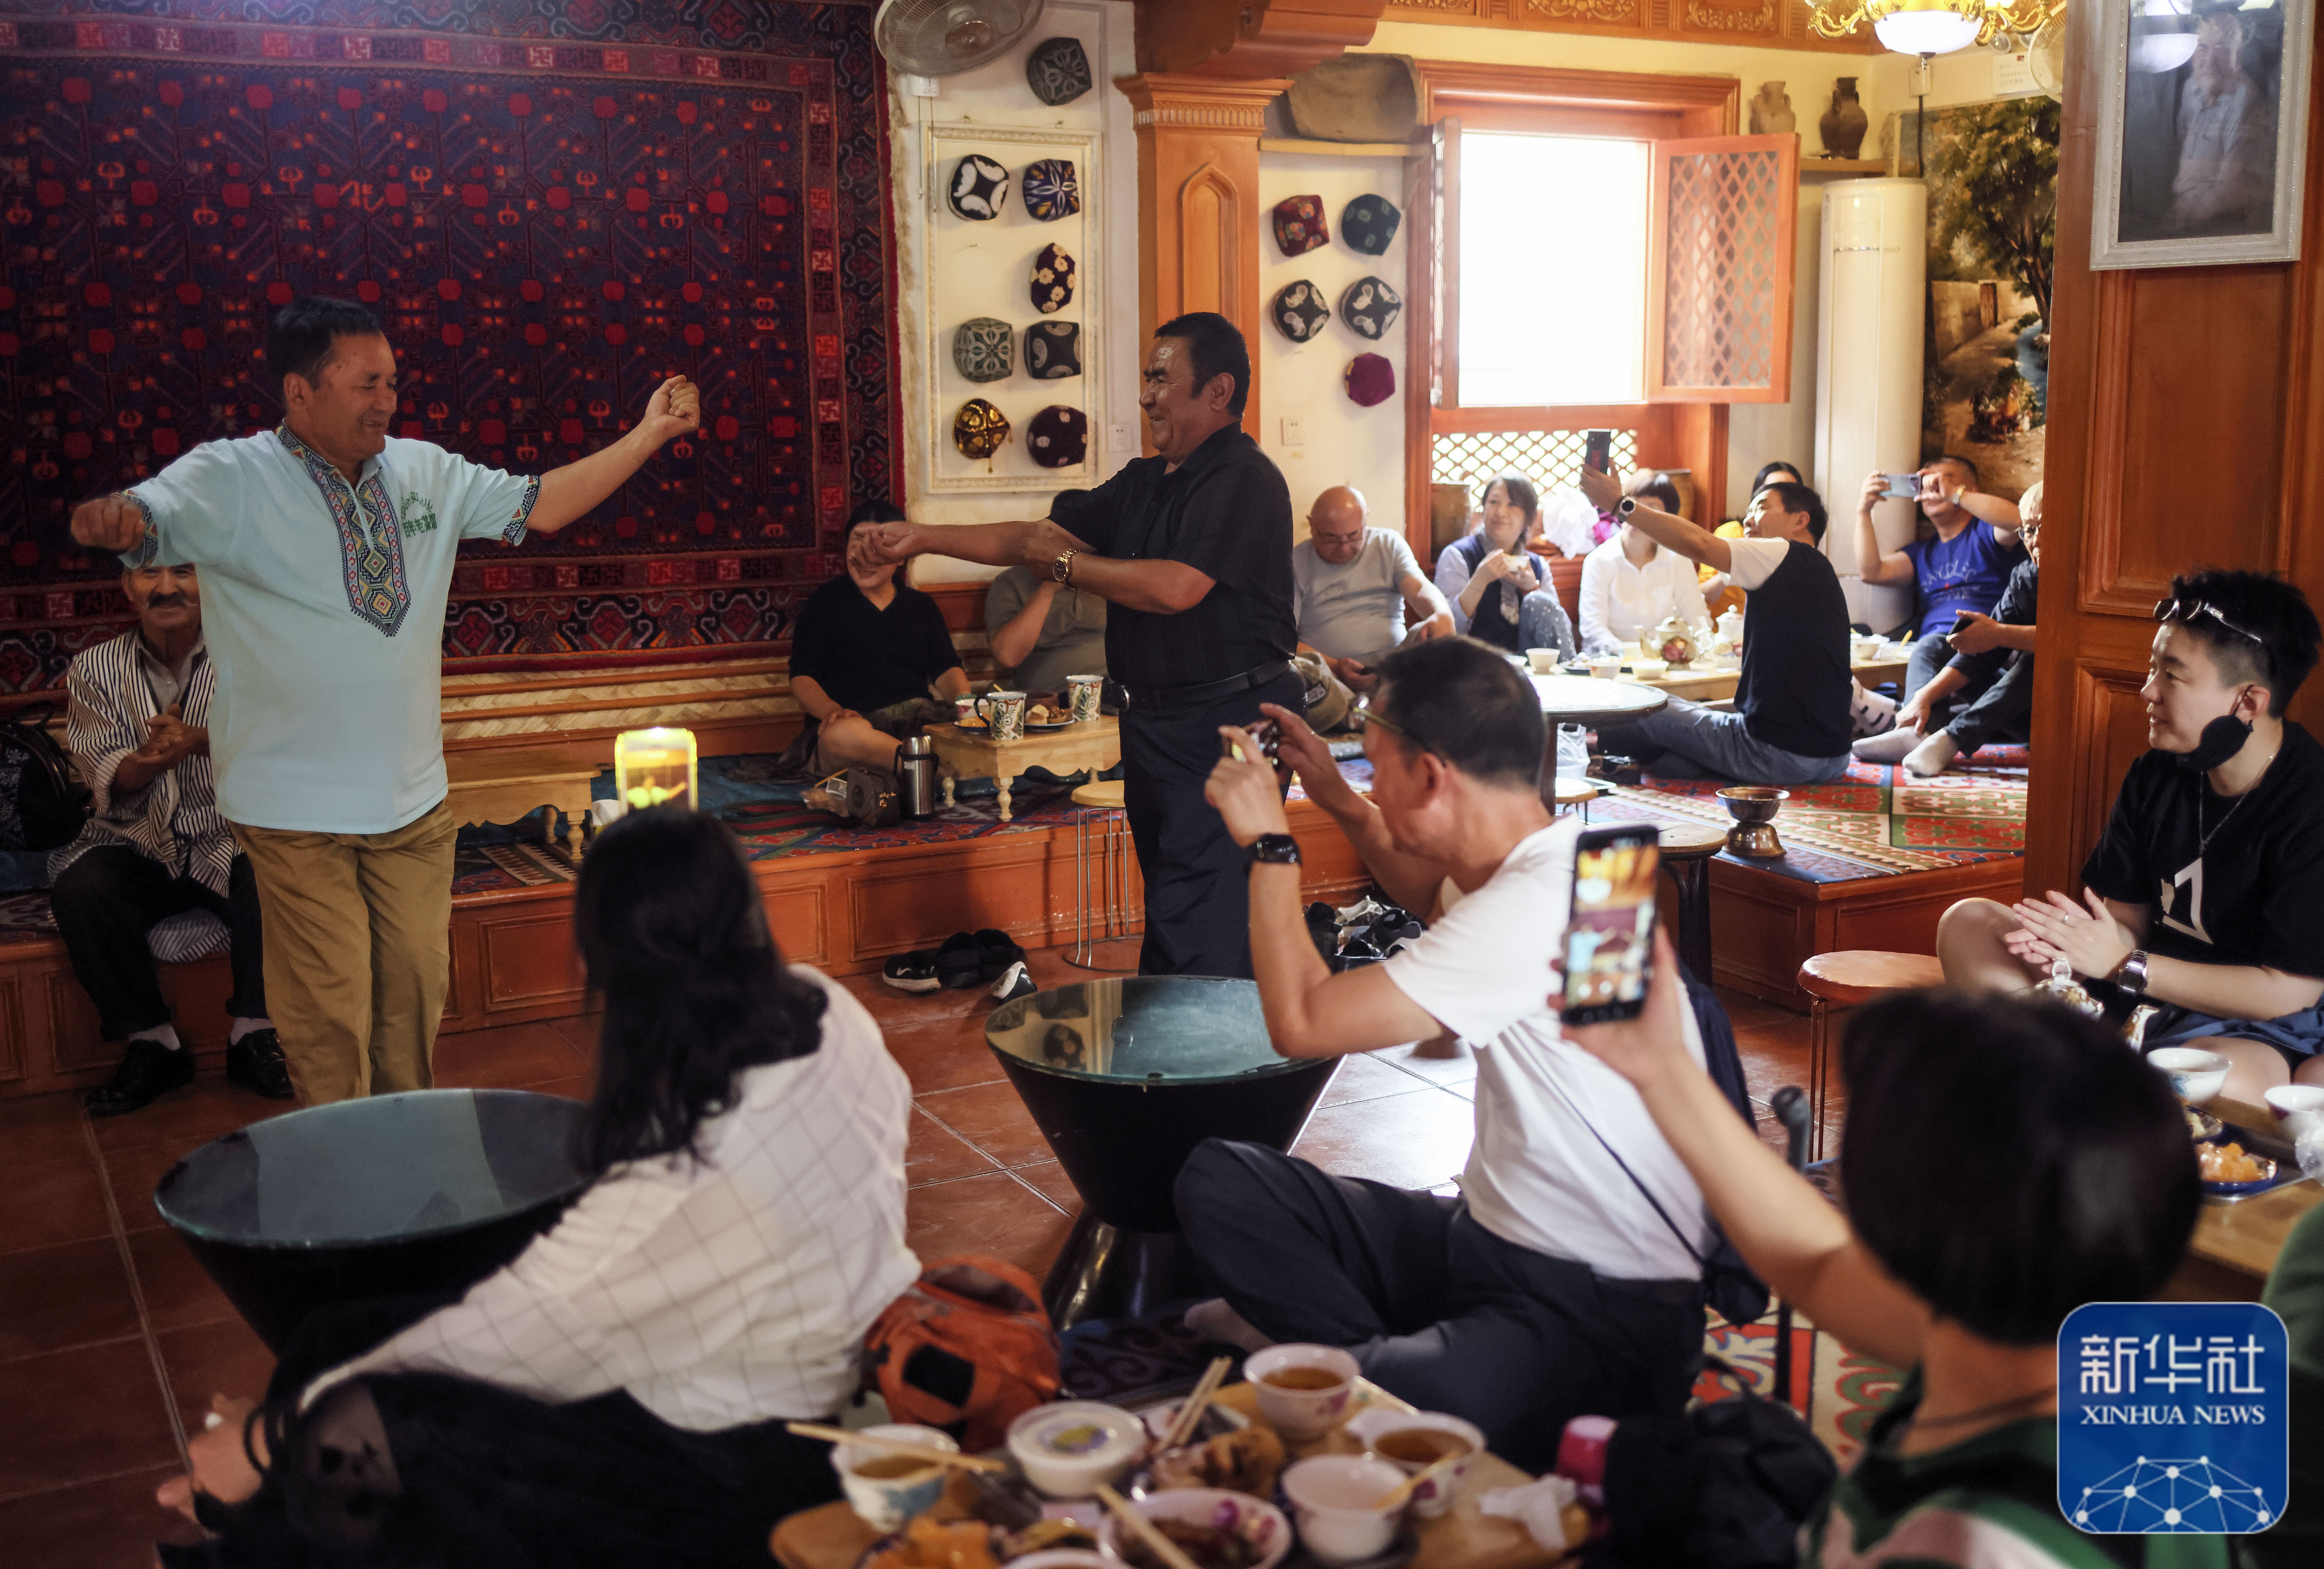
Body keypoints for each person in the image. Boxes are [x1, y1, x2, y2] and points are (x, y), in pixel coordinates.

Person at [154, 808, 919, 1568]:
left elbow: (498, 1330)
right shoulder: (828, 1011)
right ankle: (255, 1523)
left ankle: (239, 1540)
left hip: (743, 1468)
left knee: (390, 1425)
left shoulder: (682, 1176)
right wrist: (286, 1429)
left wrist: (268, 1439)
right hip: (751, 1371)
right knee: (339, 1336)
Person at [68, 296, 700, 1106]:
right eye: (367, 383)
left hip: (413, 802)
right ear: (300, 391)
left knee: (410, 1002)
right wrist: (119, 522)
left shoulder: (427, 471)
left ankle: (403, 1152)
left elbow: (542, 504)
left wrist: (648, 434)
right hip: (291, 809)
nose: (387, 400)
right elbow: (151, 515)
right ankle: (344, 1169)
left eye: (393, 382)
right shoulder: (230, 476)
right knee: (329, 1011)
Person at [1178, 638, 1713, 1473]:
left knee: (1360, 1411)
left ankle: (1360, 1373)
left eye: (1373, 763)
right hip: (1485, 1240)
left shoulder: (1528, 910)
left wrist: (1270, 845)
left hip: (1594, 1312)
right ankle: (1376, 1360)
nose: (1369, 779)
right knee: (1223, 1180)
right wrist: (1336, 797)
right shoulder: (1582, 861)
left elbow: (1302, 1022)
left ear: (1430, 776)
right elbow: (1431, 893)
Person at [1568, 945, 2211, 1569]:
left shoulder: (1981, 1544)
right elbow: (1816, 1261)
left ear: (1900, 1220)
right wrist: (1660, 1067)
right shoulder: (2062, 1346)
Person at [850, 312, 1300, 979]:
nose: (1145, 396)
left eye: (1160, 380)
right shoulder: (1145, 482)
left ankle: (1193, 1038)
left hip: (1228, 722)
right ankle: (1214, 1030)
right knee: (1181, 898)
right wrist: (921, 537)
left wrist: (1068, 568)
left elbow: (1177, 587)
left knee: (1196, 911)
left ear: (1217, 391)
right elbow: (1032, 539)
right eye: (1145, 379)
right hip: (1154, 723)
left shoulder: (1244, 478)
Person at [1939, 569, 2324, 1104]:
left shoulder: (2310, 802)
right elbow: (2127, 924)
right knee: (1969, 923)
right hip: (2140, 989)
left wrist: (2125, 963)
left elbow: (2288, 990)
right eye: (2152, 667)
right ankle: (2067, 1074)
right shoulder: (2156, 772)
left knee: (2206, 1079)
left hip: (2252, 1022)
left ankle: (2059, 1075)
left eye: (2173, 675)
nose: (2148, 691)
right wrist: (2073, 946)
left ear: (2249, 702)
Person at [47, 562, 288, 1115]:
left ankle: (253, 1035)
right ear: (127, 587)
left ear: (209, 579)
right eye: (148, 573)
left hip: (227, 835)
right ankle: (154, 1044)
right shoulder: (95, 668)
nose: (166, 588)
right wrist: (144, 762)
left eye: (183, 571)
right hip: (137, 841)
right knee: (82, 888)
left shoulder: (253, 655)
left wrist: (200, 741)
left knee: (278, 869)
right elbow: (102, 771)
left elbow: (280, 750)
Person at [1579, 468, 1854, 785]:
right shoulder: (1817, 570)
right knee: (1676, 737)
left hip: (1776, 754)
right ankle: (1672, 759)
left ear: (1800, 520)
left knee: (1638, 703)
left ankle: (1601, 750)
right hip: (1833, 758)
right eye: (1749, 510)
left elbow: (1700, 545)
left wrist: (1620, 504)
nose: (1748, 520)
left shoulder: (1782, 553)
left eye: (1762, 507)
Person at [1850, 457, 2024, 762]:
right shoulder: (1924, 552)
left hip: (1987, 647)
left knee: (1930, 646)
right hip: (1943, 658)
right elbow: (1872, 571)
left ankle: (1912, 729)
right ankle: (1911, 723)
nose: (1932, 488)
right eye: (1925, 483)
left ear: (1970, 490)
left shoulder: (1987, 533)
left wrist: (1956, 494)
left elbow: (2018, 521)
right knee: (1928, 649)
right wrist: (1863, 510)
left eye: (1943, 480)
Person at [790, 501, 970, 775]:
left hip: (917, 723)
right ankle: (933, 771)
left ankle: (922, 768)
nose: (865, 557)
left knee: (977, 724)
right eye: (858, 542)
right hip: (856, 728)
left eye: (877, 547)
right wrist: (833, 712)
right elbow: (803, 678)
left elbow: (946, 669)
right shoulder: (823, 604)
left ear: (901, 556)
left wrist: (967, 705)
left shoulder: (921, 606)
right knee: (841, 736)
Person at [1895, 480, 2043, 778]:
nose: (2035, 541)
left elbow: (2074, 642)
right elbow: (1984, 653)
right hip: (2012, 711)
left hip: (2059, 721)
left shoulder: (2095, 580)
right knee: (1935, 645)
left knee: (2040, 660)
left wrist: (2000, 634)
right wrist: (1925, 696)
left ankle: (1952, 739)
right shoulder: (2026, 575)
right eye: (2029, 530)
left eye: (2045, 528)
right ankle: (1918, 733)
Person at [1293, 484, 1453, 694]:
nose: (1344, 548)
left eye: (1354, 535)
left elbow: (1420, 589)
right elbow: (1285, 640)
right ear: (1312, 525)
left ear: (1366, 519)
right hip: (1328, 673)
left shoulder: (1389, 544)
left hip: (1395, 664)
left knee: (1433, 636)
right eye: (1331, 538)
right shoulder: (1295, 563)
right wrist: (1334, 666)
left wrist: (1442, 613)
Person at [1433, 474, 1576, 658]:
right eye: (1494, 502)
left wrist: (1532, 588)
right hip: (1475, 663)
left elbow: (1561, 631)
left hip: (1528, 665)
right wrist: (1479, 581)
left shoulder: (1537, 565)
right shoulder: (1459, 556)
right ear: (1483, 508)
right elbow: (1446, 630)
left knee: (1539, 601)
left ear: (1529, 518)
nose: (1501, 512)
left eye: (1512, 505)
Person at [983, 492, 1108, 699]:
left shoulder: (1110, 575)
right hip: (1050, 700)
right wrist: (1049, 588)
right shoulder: (1012, 583)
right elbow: (1008, 656)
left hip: (1114, 693)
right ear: (1052, 533)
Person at [1577, 472, 1711, 655]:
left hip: (1669, 660)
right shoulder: (1599, 560)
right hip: (1612, 660)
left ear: (1667, 518)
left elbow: (1698, 621)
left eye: (1651, 508)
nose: (1636, 514)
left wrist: (1683, 653)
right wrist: (1634, 656)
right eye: (1632, 504)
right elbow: (1593, 628)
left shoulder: (1678, 560)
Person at [2170, 8, 2276, 236]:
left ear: (2239, 56)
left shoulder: (2246, 103)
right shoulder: (2192, 89)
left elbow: (2230, 192)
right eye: (2202, 47)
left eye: (2221, 49)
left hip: (2220, 227)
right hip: (2185, 212)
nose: (2209, 60)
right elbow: (2181, 145)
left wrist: (2181, 225)